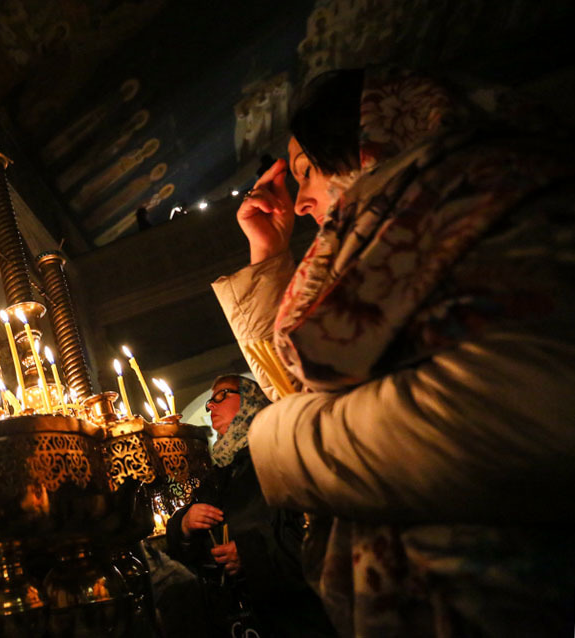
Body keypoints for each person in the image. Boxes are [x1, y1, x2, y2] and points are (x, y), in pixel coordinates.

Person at [213, 67, 575, 635]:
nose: (300, 201)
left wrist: (276, 441)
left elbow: (519, 417)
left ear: (372, 146)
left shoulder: (488, 200)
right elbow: (313, 382)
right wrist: (268, 256)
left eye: (306, 171)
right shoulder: (411, 246)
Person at [165, 375, 335, 638]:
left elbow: (316, 535)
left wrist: (250, 555)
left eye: (221, 395)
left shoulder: (279, 455)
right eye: (209, 402)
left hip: (299, 617)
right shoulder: (219, 472)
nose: (211, 406)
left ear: (250, 400)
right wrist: (184, 525)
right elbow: (190, 558)